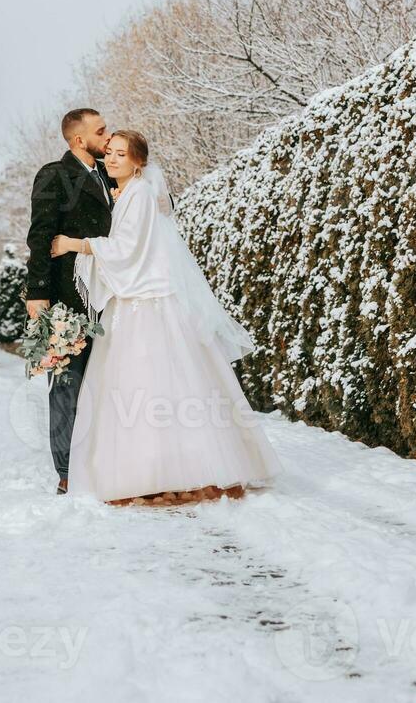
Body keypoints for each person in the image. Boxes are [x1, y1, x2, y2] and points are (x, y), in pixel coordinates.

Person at [51, 130, 281, 505]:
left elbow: (127, 249)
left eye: (120, 154)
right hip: (137, 300)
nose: (111, 159)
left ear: (138, 161)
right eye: (109, 152)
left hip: (146, 303)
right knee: (150, 385)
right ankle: (155, 467)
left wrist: (73, 244)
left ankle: (169, 469)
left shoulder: (139, 194)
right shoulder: (129, 193)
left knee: (150, 382)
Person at [25, 108, 116, 495]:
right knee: (66, 385)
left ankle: (103, 463)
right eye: (101, 131)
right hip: (66, 301)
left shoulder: (113, 175)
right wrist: (38, 294)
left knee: (106, 384)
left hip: (109, 298)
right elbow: (40, 235)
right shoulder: (53, 174)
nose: (108, 136)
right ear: (79, 139)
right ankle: (66, 471)